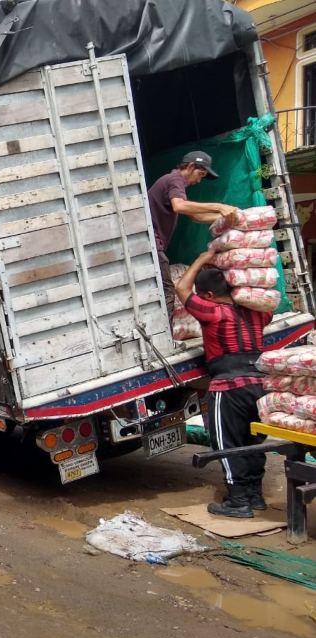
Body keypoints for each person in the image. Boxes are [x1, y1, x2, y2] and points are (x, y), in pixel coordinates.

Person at [176, 251, 273, 518]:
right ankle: (255, 496)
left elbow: (182, 288)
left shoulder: (214, 312)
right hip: (259, 384)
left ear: (208, 295)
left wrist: (202, 258)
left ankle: (238, 501)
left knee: (227, 443)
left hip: (228, 387)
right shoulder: (258, 313)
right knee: (253, 440)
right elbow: (265, 301)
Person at [148, 151, 238, 318]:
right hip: (152, 244)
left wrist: (227, 217)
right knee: (166, 290)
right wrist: (218, 207)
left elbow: (196, 217)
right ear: (190, 166)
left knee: (159, 288)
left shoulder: (175, 183)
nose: (199, 180)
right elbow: (179, 206)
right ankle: (165, 332)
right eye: (200, 174)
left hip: (154, 245)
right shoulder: (175, 180)